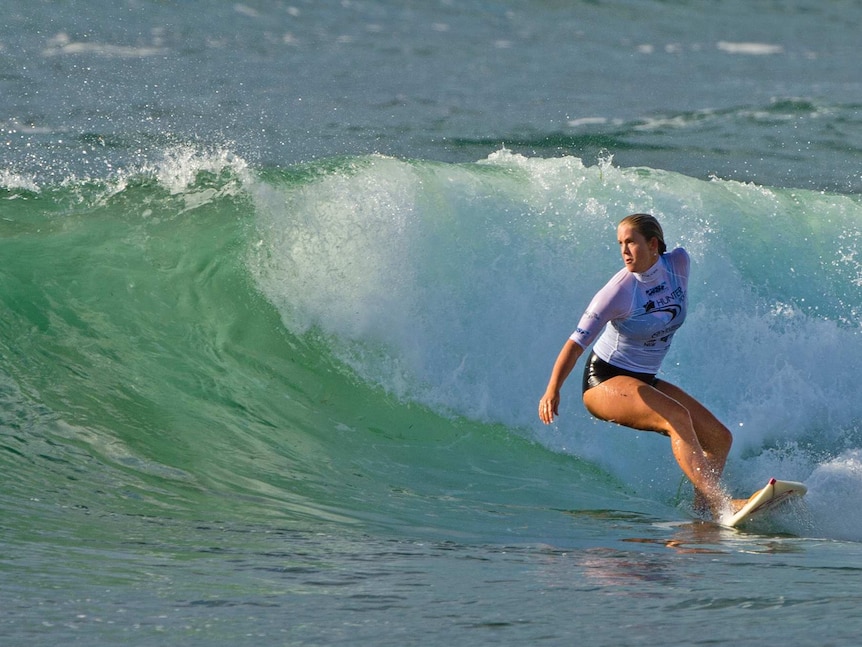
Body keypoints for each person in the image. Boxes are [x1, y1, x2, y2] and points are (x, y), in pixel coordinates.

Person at [538, 213, 742, 519]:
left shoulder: (679, 265)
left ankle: (703, 514)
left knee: (719, 438)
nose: (624, 250)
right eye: (620, 243)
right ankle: (722, 504)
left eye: (630, 241)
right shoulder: (617, 292)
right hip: (604, 380)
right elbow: (575, 344)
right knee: (677, 417)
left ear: (653, 244)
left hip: (644, 379)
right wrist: (552, 389)